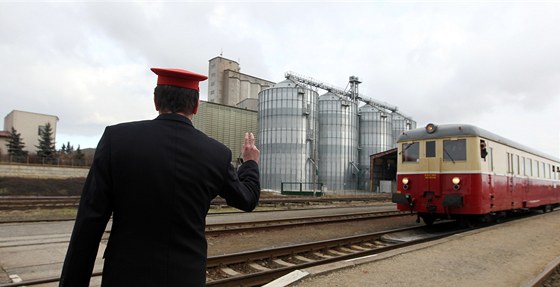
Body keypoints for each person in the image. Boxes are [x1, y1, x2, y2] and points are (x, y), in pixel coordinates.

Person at [59, 67, 260, 287]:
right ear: (195, 106)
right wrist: (249, 163)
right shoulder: (216, 154)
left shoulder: (117, 140)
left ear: (156, 102)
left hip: (124, 276)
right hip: (185, 277)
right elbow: (247, 199)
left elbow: (89, 223)